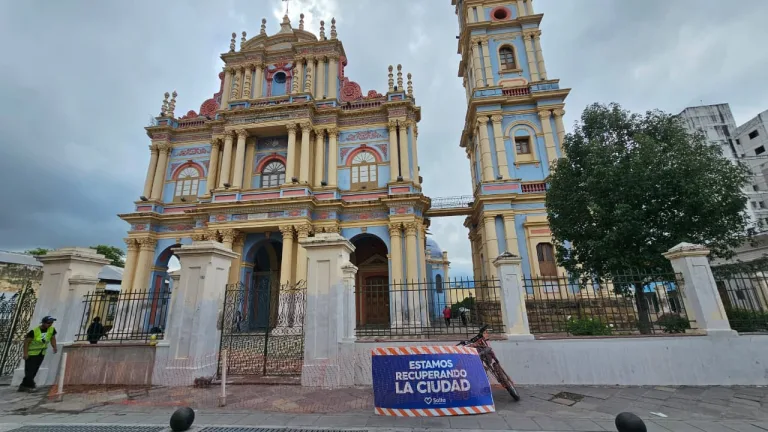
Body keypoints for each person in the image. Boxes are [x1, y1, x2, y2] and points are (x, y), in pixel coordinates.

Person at [19, 316, 57, 392]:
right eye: (48, 323)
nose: (50, 324)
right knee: (30, 370)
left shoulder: (51, 330)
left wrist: (54, 346)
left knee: (34, 370)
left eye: (51, 323)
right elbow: (26, 342)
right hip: (32, 353)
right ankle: (30, 385)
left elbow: (52, 338)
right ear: (43, 323)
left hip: (41, 353)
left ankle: (23, 386)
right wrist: (25, 353)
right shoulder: (34, 331)